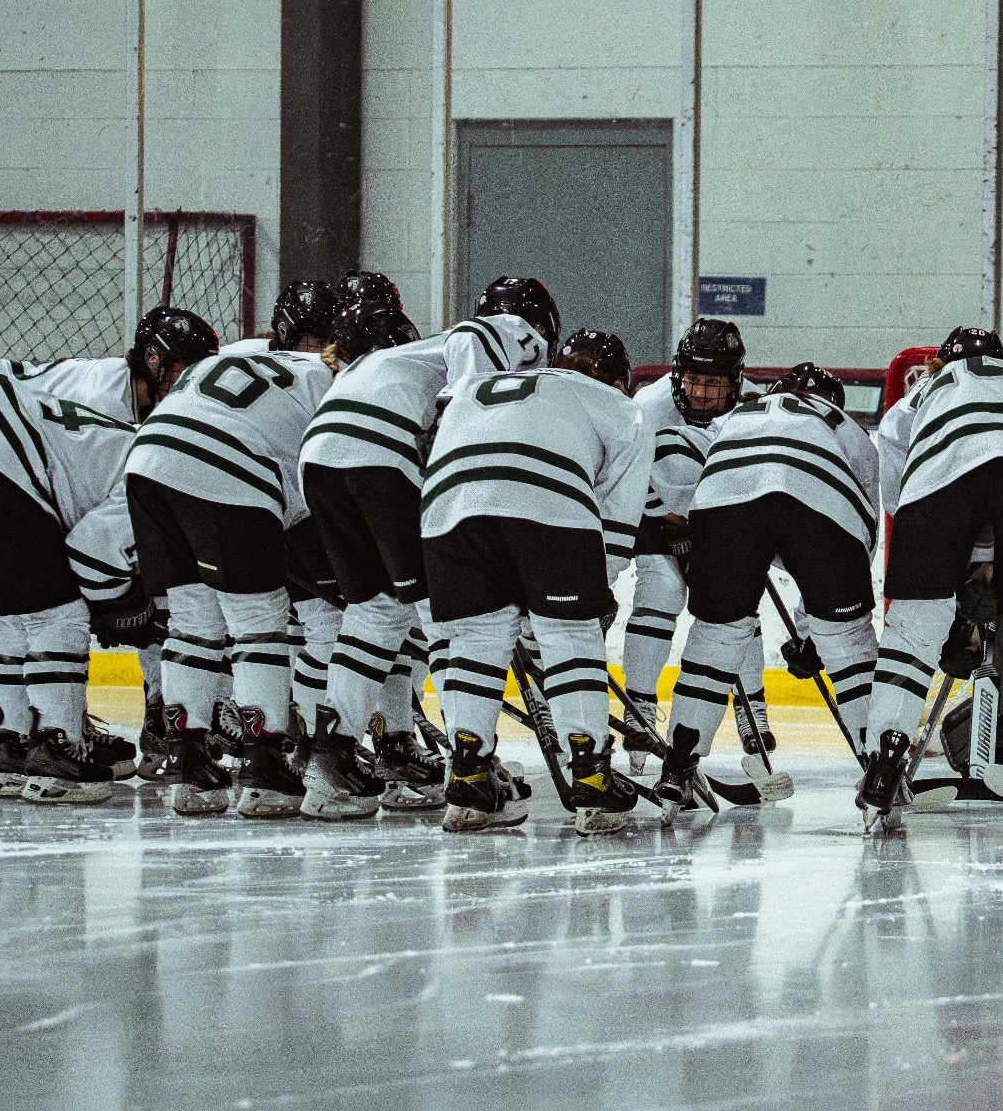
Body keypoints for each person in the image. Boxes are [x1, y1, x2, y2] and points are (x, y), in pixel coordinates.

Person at [0, 307, 217, 804]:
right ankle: (56, 742)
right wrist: (123, 609)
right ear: (152, 360)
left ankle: (8, 738)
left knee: (19, 616)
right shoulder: (111, 405)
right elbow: (94, 550)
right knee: (57, 615)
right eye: (181, 370)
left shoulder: (141, 420)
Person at [299, 281, 552, 815]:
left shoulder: (390, 362)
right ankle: (471, 764)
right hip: (383, 451)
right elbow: (474, 342)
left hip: (320, 453)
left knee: (377, 611)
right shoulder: (511, 332)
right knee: (447, 613)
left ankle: (331, 764)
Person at [421, 331, 650, 835]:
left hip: (446, 506)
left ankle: (468, 775)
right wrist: (596, 589)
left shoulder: (482, 384)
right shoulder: (619, 405)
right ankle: (590, 778)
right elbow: (618, 511)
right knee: (571, 638)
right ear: (618, 381)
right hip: (546, 501)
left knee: (476, 640)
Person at [865, 327, 1003, 830]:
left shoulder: (913, 401)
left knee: (911, 634)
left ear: (941, 364)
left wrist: (963, 568)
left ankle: (883, 764)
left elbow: (902, 498)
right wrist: (1000, 561)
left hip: (942, 482)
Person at [125, 320, 336, 819]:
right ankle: (265, 764)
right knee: (259, 621)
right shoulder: (333, 383)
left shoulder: (249, 359)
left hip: (148, 457)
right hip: (229, 462)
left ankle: (187, 762)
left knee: (193, 620)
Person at [657, 364, 880, 819]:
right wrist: (817, 630)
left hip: (724, 501)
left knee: (715, 638)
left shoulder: (739, 414)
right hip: (817, 503)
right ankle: (880, 767)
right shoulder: (844, 426)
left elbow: (688, 463)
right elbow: (858, 530)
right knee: (849, 640)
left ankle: (677, 767)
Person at [619, 317, 774, 770]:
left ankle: (752, 707)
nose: (702, 393)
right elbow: (628, 475)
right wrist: (670, 524)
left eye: (714, 382)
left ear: (737, 378)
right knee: (659, 592)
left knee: (735, 608)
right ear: (677, 373)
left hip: (720, 517)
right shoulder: (648, 406)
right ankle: (640, 706)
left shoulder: (754, 410)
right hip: (653, 516)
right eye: (693, 380)